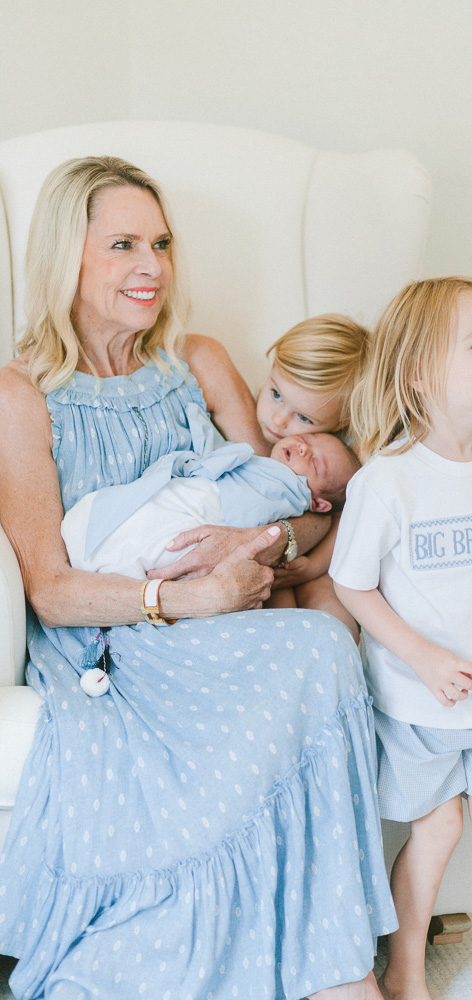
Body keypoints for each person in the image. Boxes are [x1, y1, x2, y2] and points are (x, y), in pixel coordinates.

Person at [0, 155, 396, 1000]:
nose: (152, 267)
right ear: (66, 256)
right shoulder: (21, 394)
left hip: (225, 605)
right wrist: (187, 597)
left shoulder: (198, 360)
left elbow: (294, 500)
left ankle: (336, 965)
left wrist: (253, 540)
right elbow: (49, 587)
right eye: (123, 246)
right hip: (114, 637)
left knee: (321, 644)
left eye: (162, 243)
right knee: (310, 655)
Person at [330, 276, 472, 1000]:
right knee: (437, 830)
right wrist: (419, 657)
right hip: (418, 704)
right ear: (420, 372)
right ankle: (405, 969)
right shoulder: (388, 482)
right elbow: (350, 584)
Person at [62, 413, 360, 580]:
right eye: (307, 440)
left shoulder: (288, 493)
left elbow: (242, 520)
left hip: (210, 514)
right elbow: (216, 453)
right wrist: (198, 419)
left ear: (319, 503)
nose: (304, 449)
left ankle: (116, 563)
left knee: (169, 543)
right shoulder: (259, 462)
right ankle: (103, 550)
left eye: (316, 463)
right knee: (141, 509)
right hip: (187, 494)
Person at [250, 314, 368, 626]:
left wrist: (314, 566)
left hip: (317, 558)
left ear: (341, 423)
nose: (279, 421)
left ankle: (341, 661)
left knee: (327, 600)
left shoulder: (342, 457)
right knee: (276, 602)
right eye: (275, 394)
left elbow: (350, 517)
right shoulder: (240, 420)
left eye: (304, 418)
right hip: (267, 561)